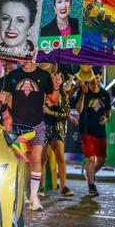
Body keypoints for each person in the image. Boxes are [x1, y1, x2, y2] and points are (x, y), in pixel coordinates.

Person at [0, 60, 59, 211]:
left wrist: (57, 87)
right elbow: (4, 100)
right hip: (18, 127)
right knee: (21, 161)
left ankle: (34, 197)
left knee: (36, 159)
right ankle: (21, 195)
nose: (22, 59)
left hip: (38, 124)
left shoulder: (44, 75)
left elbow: (53, 100)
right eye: (21, 56)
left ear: (33, 55)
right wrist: (3, 99)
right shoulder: (13, 75)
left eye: (26, 55)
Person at [73, 66, 111, 196]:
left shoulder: (105, 94)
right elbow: (78, 109)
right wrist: (83, 93)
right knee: (90, 158)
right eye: (92, 77)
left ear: (100, 78)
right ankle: (91, 185)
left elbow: (108, 113)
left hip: (100, 131)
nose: (95, 79)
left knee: (101, 160)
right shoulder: (83, 92)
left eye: (97, 76)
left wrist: (106, 119)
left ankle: (90, 174)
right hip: (86, 130)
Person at [40, 65, 74, 197]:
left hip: (57, 129)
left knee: (60, 158)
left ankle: (64, 187)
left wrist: (51, 112)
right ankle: (41, 187)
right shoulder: (43, 93)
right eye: (55, 77)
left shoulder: (64, 95)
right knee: (42, 159)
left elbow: (65, 114)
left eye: (60, 78)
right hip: (43, 128)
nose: (57, 79)